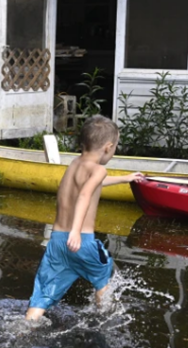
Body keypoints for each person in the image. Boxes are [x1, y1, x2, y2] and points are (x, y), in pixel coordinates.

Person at [25, 116, 141, 321]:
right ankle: (104, 318)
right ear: (108, 147)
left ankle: (26, 326)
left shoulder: (74, 164)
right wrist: (76, 231)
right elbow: (85, 195)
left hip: (58, 242)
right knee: (105, 278)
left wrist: (125, 178)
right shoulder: (99, 169)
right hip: (82, 241)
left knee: (43, 293)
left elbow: (92, 183)